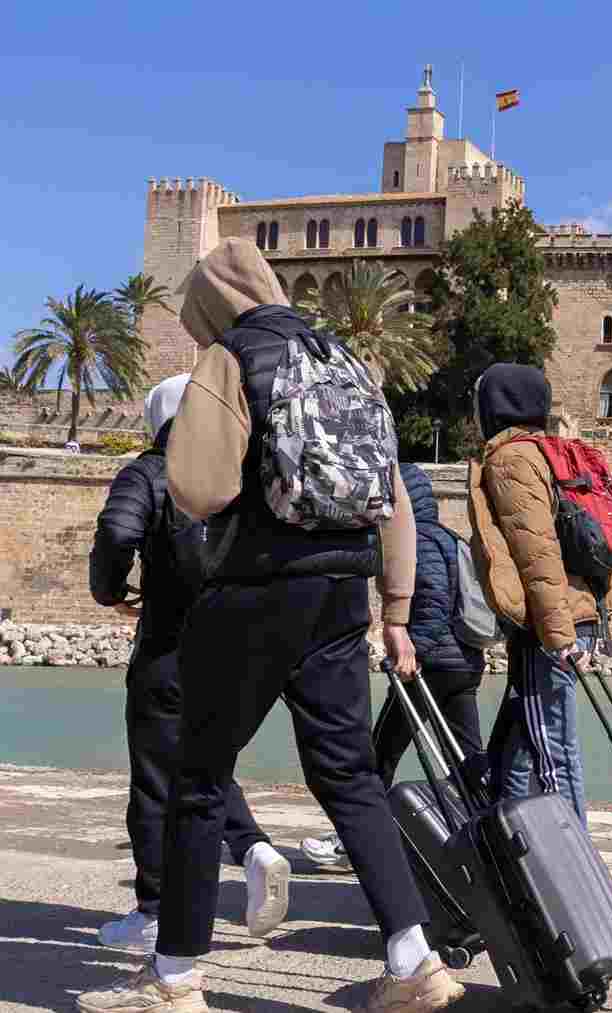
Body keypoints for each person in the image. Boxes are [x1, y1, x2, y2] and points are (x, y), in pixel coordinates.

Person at [74, 238, 462, 1013]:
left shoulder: (233, 356)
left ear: (215, 307)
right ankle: (415, 960)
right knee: (350, 775)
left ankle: (175, 977)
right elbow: (392, 498)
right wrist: (396, 610)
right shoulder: (345, 360)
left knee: (199, 777)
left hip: (256, 593)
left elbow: (200, 486)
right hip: (343, 597)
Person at [87, 373, 289, 951]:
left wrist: (110, 591)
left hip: (168, 648)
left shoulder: (150, 471)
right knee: (204, 766)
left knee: (156, 781)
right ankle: (253, 847)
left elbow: (116, 530)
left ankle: (153, 912)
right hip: (234, 648)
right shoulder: (244, 479)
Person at [303, 462, 487, 870]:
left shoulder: (416, 542)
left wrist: (405, 652)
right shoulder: (450, 538)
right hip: (464, 664)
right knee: (467, 758)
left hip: (427, 667)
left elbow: (434, 608)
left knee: (378, 756)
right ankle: (487, 839)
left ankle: (352, 844)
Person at [467, 363, 599, 830]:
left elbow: (536, 552)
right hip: (571, 615)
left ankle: (574, 869)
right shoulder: (553, 451)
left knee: (553, 751)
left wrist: (558, 637)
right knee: (522, 745)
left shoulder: (511, 460)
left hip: (550, 626)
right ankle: (519, 857)